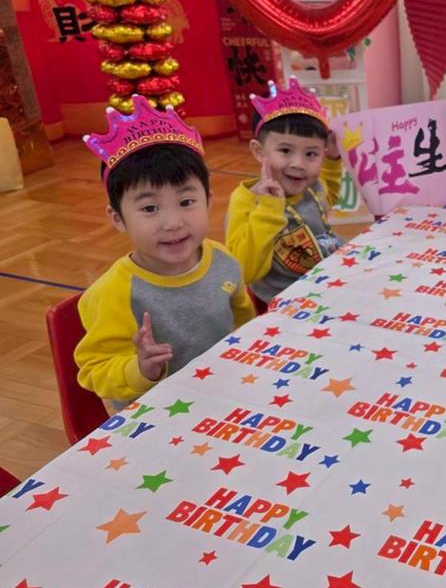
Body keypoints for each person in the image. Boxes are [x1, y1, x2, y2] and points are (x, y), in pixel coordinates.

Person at [76, 96, 255, 410]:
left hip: (225, 395)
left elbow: (243, 320)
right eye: (150, 208)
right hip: (158, 415)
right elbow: (95, 371)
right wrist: (140, 368)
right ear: (118, 219)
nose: (173, 223)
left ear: (208, 200)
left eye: (186, 202)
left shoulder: (223, 260)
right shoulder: (112, 293)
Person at [227, 78, 343, 303]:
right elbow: (244, 271)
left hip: (324, 286)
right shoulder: (246, 200)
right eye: (285, 150)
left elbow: (327, 197)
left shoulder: (311, 186)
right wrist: (269, 208)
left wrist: (332, 160)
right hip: (280, 303)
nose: (298, 164)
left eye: (311, 154)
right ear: (259, 151)